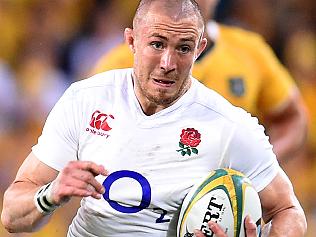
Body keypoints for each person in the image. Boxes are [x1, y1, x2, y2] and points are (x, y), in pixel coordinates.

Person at [1, 0, 306, 236]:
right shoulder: (85, 99)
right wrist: (50, 194)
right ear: (131, 41)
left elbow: (289, 211)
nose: (168, 63)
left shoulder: (228, 125)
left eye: (183, 48)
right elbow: (12, 215)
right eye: (157, 44)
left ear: (199, 48)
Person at [93, 0, 307, 164]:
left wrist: (254, 167)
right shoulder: (120, 62)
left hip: (226, 207)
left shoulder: (250, 51)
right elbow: (90, 136)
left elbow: (292, 119)